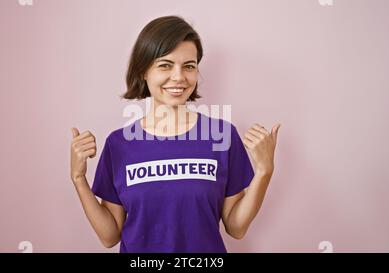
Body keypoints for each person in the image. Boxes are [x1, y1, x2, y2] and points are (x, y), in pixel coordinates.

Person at [70, 15, 281, 253]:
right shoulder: (119, 144)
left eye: (189, 66)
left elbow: (236, 227)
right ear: (143, 71)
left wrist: (264, 171)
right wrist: (79, 178)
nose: (179, 77)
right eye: (165, 65)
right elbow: (109, 236)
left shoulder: (221, 135)